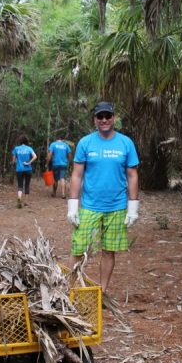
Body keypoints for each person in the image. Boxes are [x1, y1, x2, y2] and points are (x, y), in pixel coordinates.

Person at [66, 101, 139, 293]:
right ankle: (68, 290)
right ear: (95, 119)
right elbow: (77, 174)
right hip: (90, 205)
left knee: (108, 250)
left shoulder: (126, 143)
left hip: (117, 206)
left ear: (114, 118)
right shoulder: (85, 143)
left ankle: (102, 291)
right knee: (78, 248)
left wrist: (133, 207)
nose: (104, 120)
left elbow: (132, 175)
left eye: (108, 116)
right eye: (100, 116)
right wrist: (73, 206)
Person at [11, 134, 37, 208]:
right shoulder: (29, 148)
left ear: (20, 141)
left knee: (20, 185)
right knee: (27, 185)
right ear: (26, 141)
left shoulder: (16, 148)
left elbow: (13, 160)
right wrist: (29, 162)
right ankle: (26, 202)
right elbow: (35, 156)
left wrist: (16, 161)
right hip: (28, 169)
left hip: (19, 169)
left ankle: (19, 198)